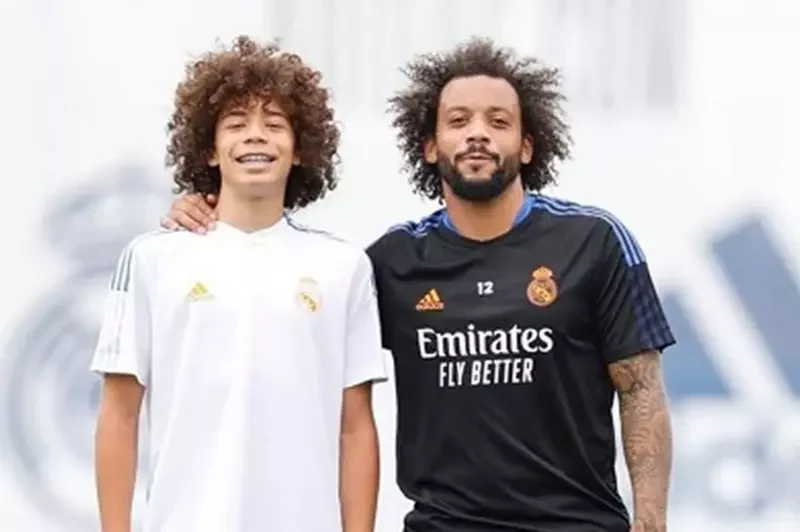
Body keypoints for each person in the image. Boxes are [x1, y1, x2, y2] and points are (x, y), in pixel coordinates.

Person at [161, 37, 675, 532]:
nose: (478, 134)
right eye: (458, 121)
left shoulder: (593, 241)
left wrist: (650, 520)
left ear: (527, 146)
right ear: (429, 147)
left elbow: (641, 389)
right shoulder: (392, 261)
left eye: (498, 122)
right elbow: (293, 313)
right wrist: (214, 216)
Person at [92, 36, 386, 532]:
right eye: (236, 124)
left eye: (274, 124)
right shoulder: (151, 259)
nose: (255, 137)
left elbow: (355, 427)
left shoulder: (344, 266)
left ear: (300, 150)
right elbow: (119, 414)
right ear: (210, 149)